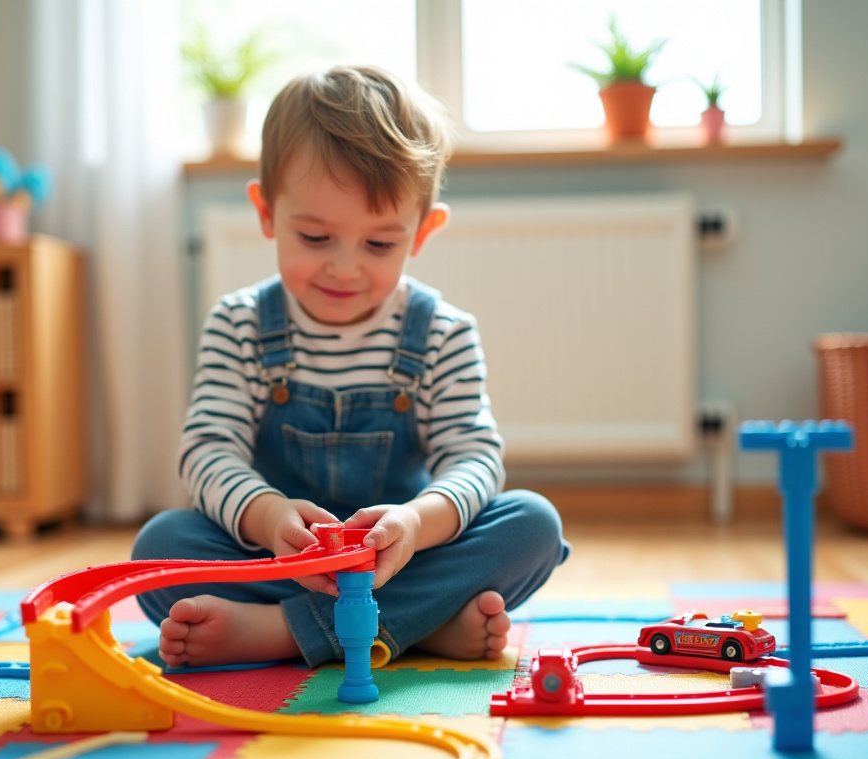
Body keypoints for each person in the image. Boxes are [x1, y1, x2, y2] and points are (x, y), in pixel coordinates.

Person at [133, 65, 569, 669]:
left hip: (402, 563)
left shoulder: (442, 333)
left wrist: (416, 523)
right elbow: (208, 451)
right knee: (160, 545)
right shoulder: (239, 325)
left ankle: (286, 634)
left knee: (532, 524)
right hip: (279, 561)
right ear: (266, 214)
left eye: (379, 245)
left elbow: (474, 459)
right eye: (315, 238)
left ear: (422, 232)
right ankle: (415, 627)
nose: (344, 268)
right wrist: (265, 516)